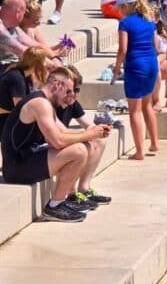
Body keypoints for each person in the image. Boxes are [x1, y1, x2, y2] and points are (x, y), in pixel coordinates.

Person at [0, 67, 111, 222]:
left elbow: (64, 132)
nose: (70, 96)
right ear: (58, 84)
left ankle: (66, 199)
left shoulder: (45, 103)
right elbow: (57, 141)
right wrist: (87, 134)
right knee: (78, 150)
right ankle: (54, 207)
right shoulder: (39, 103)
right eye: (68, 91)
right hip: (16, 167)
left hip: (26, 159)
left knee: (85, 145)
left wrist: (95, 132)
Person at [111, 0, 160, 160]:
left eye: (119, 8)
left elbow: (122, 49)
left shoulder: (124, 23)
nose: (118, 11)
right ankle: (154, 143)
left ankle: (139, 152)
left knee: (134, 111)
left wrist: (117, 69)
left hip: (135, 66)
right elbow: (156, 46)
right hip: (152, 64)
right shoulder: (149, 20)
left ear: (125, 6)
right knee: (147, 105)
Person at [55, 65, 113, 209]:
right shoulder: (49, 105)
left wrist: (101, 129)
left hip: (60, 143)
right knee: (81, 147)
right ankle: (70, 193)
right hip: (49, 146)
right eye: (70, 90)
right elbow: (57, 137)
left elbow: (89, 125)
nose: (73, 94)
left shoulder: (73, 104)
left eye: (77, 90)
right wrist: (85, 135)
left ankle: (84, 189)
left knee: (98, 141)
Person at [0, 47, 50, 138]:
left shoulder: (26, 76)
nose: (46, 64)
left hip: (9, 118)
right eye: (44, 61)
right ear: (37, 64)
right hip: (4, 123)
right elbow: (21, 109)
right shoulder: (17, 78)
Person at [0, 0, 33, 72]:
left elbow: (33, 44)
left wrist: (54, 56)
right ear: (18, 14)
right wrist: (49, 63)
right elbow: (18, 49)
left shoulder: (11, 25)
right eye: (23, 13)